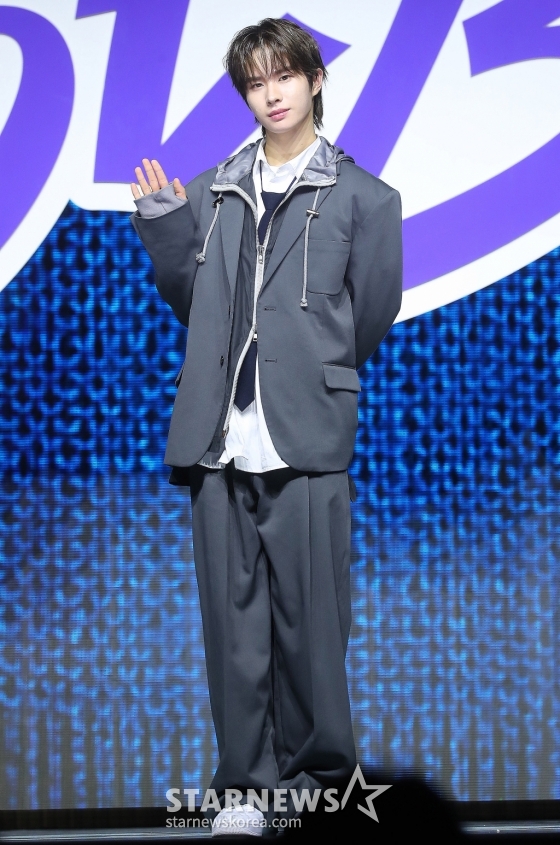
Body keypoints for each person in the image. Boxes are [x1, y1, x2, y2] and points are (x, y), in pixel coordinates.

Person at [130, 17, 402, 837]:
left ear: (314, 79)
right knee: (233, 631)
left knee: (313, 631)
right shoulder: (214, 189)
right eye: (255, 81)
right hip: (220, 440)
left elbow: (370, 313)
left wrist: (307, 372)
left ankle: (317, 788)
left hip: (305, 436)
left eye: (284, 75)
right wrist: (166, 227)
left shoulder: (366, 198)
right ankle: (246, 789)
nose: (271, 93)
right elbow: (196, 306)